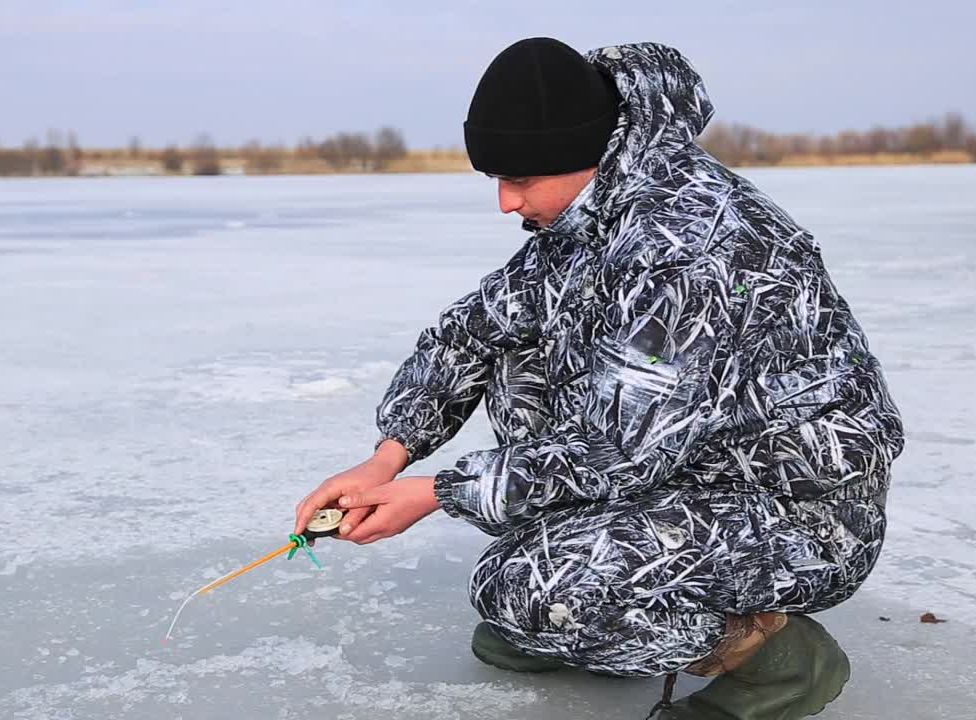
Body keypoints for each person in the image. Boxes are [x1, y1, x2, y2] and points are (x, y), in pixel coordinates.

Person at [294, 37, 903, 720]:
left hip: (798, 515)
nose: (504, 202)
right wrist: (388, 457)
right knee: (515, 353)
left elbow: (620, 451)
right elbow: (471, 330)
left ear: (581, 157)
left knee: (529, 590)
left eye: (519, 180)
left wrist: (438, 491)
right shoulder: (589, 220)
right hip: (684, 469)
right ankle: (586, 599)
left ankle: (773, 659)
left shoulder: (692, 250)